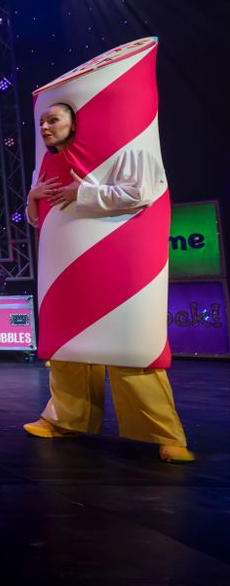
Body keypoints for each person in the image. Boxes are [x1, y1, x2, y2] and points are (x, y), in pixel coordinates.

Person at [23, 103, 193, 463]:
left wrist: (81, 193)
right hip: (66, 265)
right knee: (67, 347)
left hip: (115, 261)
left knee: (128, 345)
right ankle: (65, 419)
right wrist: (32, 200)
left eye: (53, 120)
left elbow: (142, 193)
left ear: (76, 122)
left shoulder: (128, 147)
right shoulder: (50, 163)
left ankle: (164, 432)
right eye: (42, 121)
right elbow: (42, 221)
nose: (45, 127)